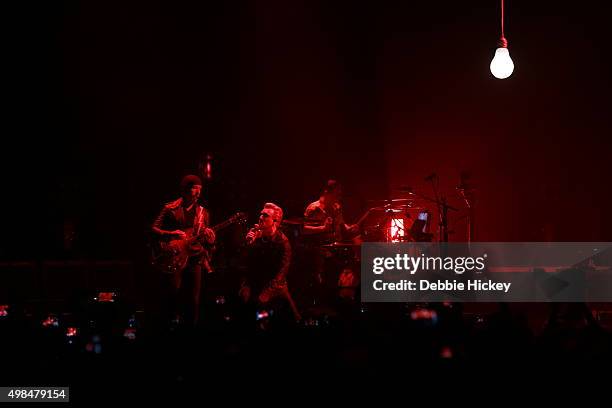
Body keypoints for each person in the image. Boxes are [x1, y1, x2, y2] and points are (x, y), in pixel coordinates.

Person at [152, 175, 215, 328]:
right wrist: (171, 234)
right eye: (195, 189)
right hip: (175, 256)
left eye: (200, 190)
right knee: (173, 294)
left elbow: (204, 240)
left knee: (194, 299)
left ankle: (191, 330)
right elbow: (153, 229)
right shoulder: (170, 208)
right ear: (186, 189)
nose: (198, 193)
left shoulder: (203, 212)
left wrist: (211, 240)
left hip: (195, 257)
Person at [240, 202, 301, 322]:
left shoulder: (283, 243)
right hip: (257, 281)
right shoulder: (256, 237)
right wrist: (247, 244)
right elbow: (247, 264)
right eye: (261, 214)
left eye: (266, 215)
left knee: (292, 318)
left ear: (275, 221)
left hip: (275, 286)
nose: (261, 217)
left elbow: (282, 272)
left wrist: (268, 292)